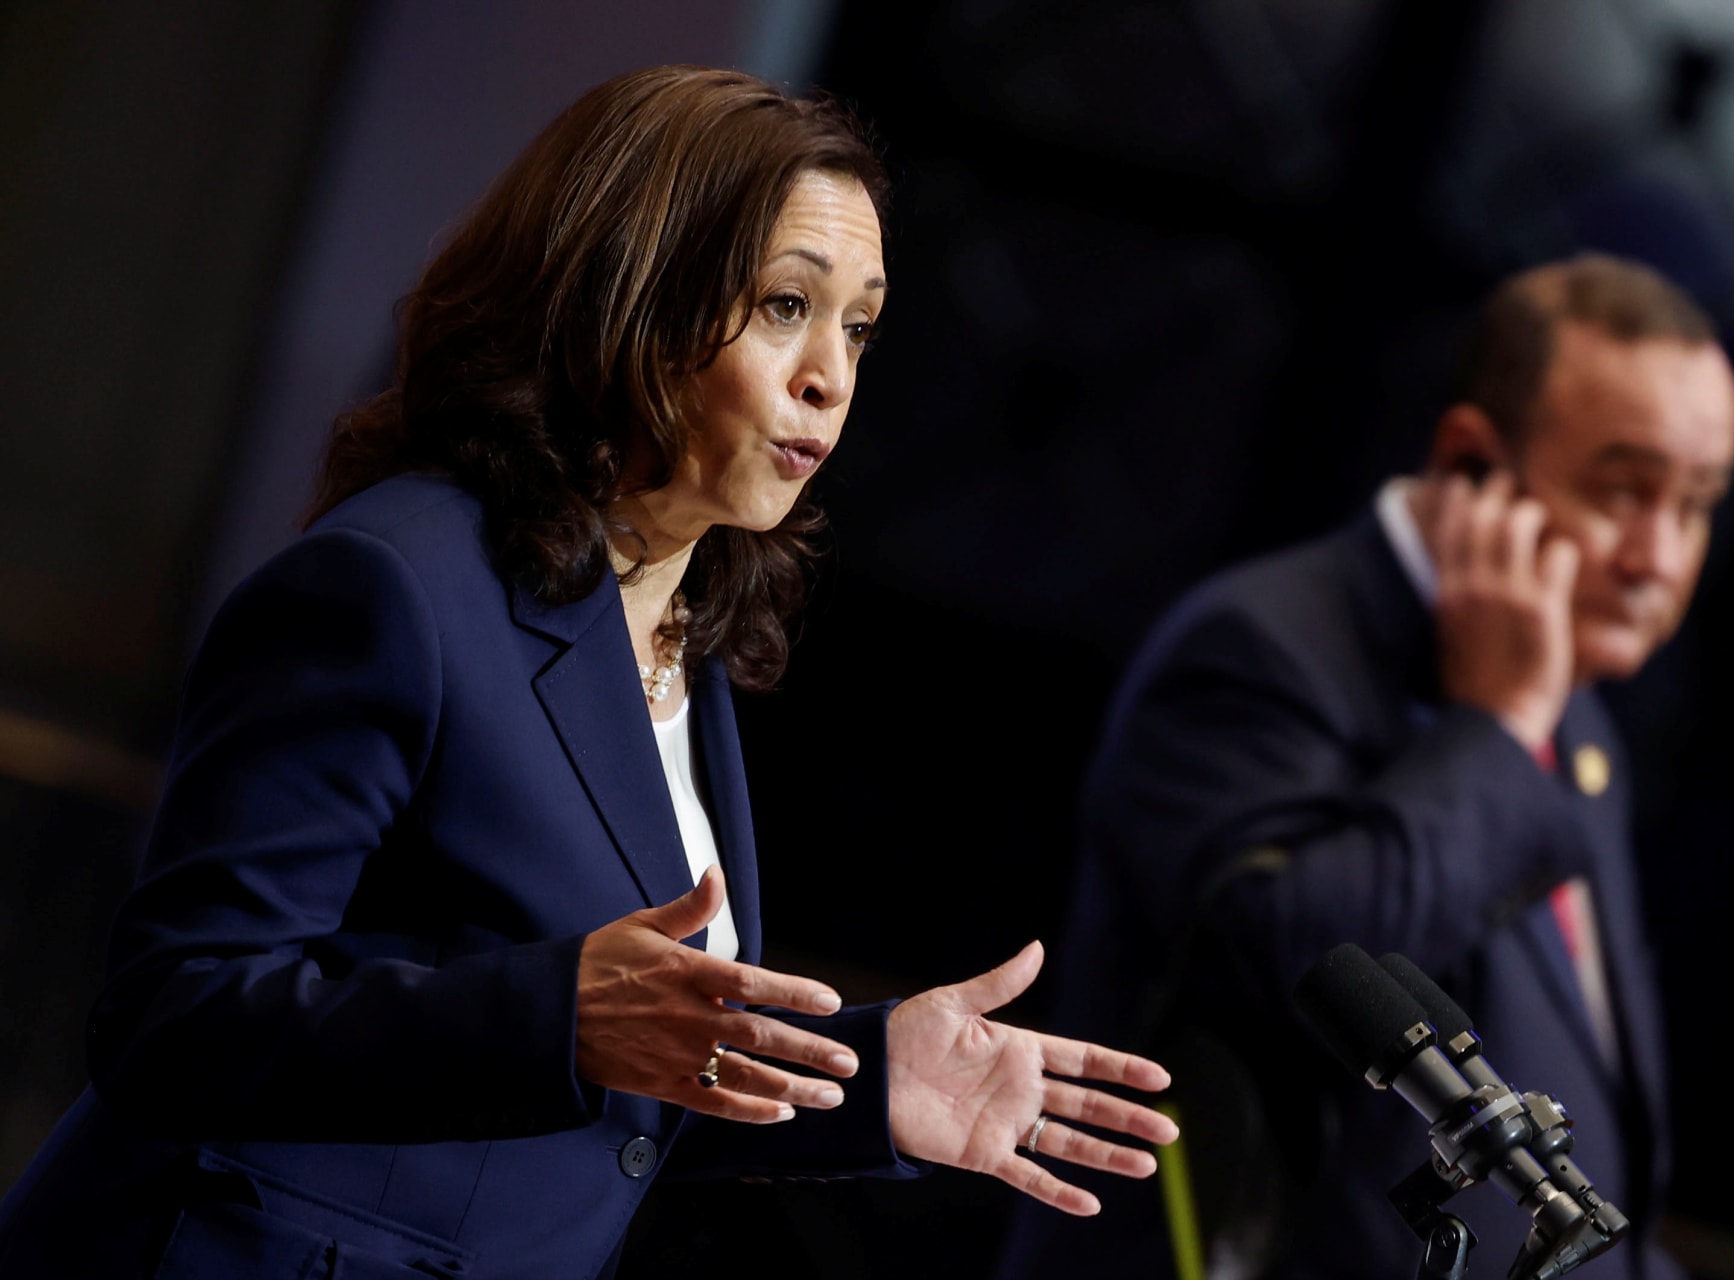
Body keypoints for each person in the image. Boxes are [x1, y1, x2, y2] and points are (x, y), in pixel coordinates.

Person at [0, 66, 1178, 1280]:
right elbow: (173, 1015)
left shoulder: (681, 642)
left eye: (860, 324)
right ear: (631, 297)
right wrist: (555, 1011)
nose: (832, 373)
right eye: (786, 304)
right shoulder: (395, 583)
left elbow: (602, 1108)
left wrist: (871, 1083)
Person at [998, 254, 1734, 1280]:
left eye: (1697, 503)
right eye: (1624, 489)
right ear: (1475, 464)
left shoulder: (1577, 715)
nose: (1659, 556)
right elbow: (1294, 963)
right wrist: (1497, 722)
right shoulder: (1260, 647)